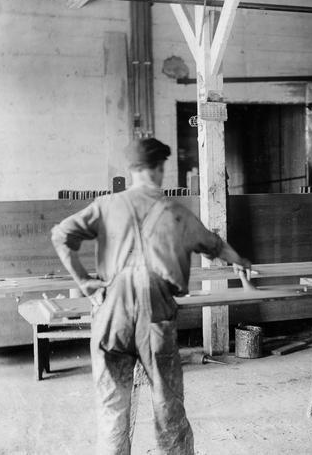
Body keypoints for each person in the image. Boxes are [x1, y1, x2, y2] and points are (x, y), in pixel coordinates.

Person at [51, 137, 252, 455]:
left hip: (111, 319)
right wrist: (242, 262)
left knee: (113, 412)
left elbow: (61, 234)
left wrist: (84, 281)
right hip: (156, 320)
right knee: (168, 410)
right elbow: (216, 245)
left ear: (132, 170)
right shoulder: (176, 214)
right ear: (160, 170)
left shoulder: (106, 206)